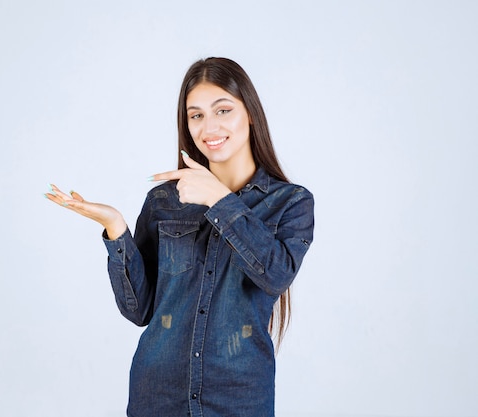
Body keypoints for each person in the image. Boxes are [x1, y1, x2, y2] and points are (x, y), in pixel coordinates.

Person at [44, 57, 314, 417]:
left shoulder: (290, 202)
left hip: (239, 399)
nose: (209, 126)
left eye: (223, 110)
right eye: (196, 115)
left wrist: (219, 199)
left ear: (250, 113)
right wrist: (115, 229)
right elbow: (139, 310)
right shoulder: (164, 201)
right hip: (157, 396)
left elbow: (274, 274)